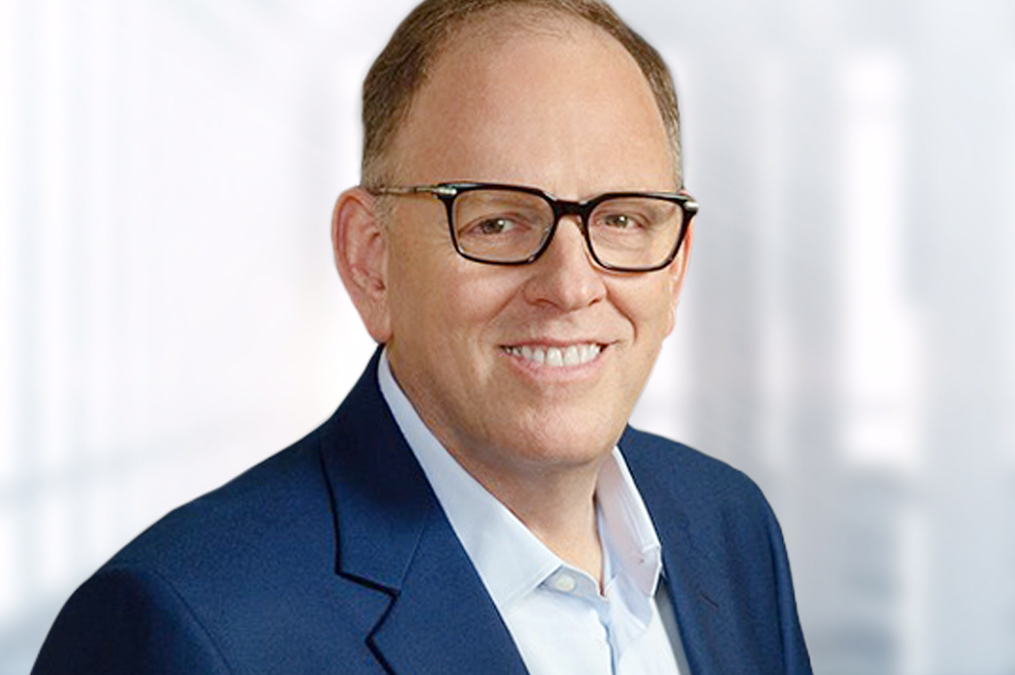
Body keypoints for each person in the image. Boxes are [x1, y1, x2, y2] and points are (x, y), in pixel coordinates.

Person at [32, 0, 812, 673]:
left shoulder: (729, 525)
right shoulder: (180, 629)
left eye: (622, 219)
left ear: (674, 268)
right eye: (497, 221)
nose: (571, 285)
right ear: (370, 260)